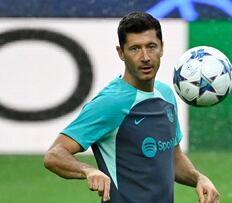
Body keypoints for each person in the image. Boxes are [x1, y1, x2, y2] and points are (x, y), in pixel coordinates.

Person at [44, 11, 220, 203]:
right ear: (121, 53)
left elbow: (173, 159)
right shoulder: (110, 103)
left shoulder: (166, 95)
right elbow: (54, 155)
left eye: (151, 46)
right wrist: (88, 171)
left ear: (162, 48)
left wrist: (199, 178)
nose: (145, 57)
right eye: (135, 49)